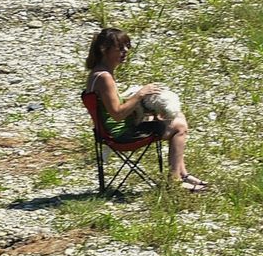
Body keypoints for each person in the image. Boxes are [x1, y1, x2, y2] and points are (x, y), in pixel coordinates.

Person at [84, 26, 204, 191]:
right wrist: (141, 94)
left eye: (127, 46)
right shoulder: (104, 78)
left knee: (178, 116)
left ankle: (183, 174)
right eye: (120, 48)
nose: (125, 51)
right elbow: (117, 114)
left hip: (111, 130)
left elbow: (111, 110)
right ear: (105, 50)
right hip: (121, 134)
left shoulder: (98, 74)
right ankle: (175, 181)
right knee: (180, 127)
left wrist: (146, 109)